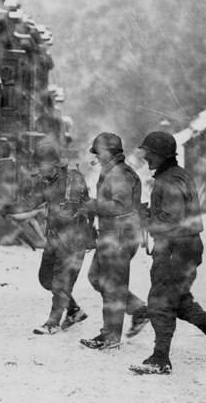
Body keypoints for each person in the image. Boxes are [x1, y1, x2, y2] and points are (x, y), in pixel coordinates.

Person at [129, 132, 206, 375]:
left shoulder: (170, 179)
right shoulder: (175, 176)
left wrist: (145, 223)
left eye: (149, 153)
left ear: (161, 155)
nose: (146, 157)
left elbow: (172, 217)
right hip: (183, 246)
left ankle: (160, 359)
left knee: (160, 302)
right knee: (180, 302)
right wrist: (149, 213)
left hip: (175, 248)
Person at [0, 144, 92, 335]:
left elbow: (71, 208)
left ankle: (53, 322)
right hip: (55, 237)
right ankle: (73, 310)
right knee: (46, 278)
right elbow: (30, 202)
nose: (38, 169)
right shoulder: (45, 182)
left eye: (40, 165)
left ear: (51, 163)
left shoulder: (71, 178)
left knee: (61, 279)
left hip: (74, 237)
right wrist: (9, 208)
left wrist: (56, 218)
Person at [80, 133, 149, 350]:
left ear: (109, 152)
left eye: (98, 152)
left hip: (121, 235)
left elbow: (121, 206)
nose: (96, 156)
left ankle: (109, 336)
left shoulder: (120, 173)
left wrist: (92, 205)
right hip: (110, 234)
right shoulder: (111, 171)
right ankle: (138, 310)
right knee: (96, 277)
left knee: (113, 286)